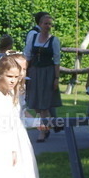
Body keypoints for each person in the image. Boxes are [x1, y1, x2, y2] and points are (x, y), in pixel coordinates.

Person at [24, 12, 62, 142]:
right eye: (45, 23)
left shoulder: (54, 40)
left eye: (50, 24)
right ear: (40, 24)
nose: (48, 26)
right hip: (34, 72)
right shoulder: (33, 38)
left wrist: (56, 78)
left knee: (44, 105)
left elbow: (57, 61)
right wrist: (24, 72)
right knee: (35, 103)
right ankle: (48, 125)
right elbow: (27, 56)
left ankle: (43, 131)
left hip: (47, 73)